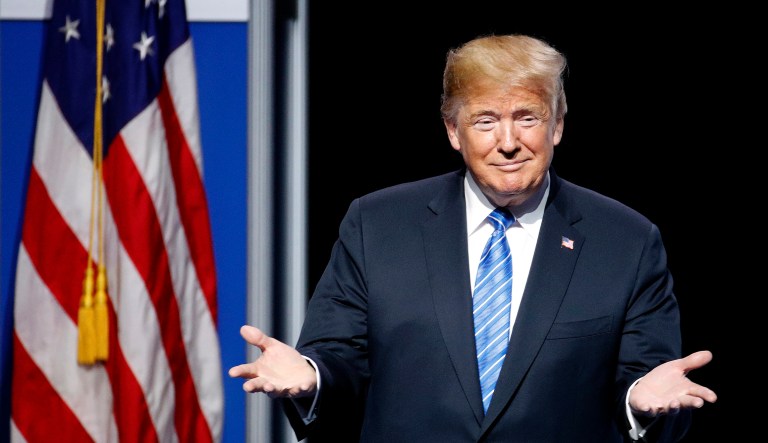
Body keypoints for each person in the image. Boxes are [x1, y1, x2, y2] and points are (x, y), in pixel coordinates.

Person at [229, 33, 717, 442]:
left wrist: (641, 403)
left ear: (558, 126)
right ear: (453, 131)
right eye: (485, 120)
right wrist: (312, 378)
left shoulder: (626, 241)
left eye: (527, 117)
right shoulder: (376, 225)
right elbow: (338, 359)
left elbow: (648, 382)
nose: (508, 142)